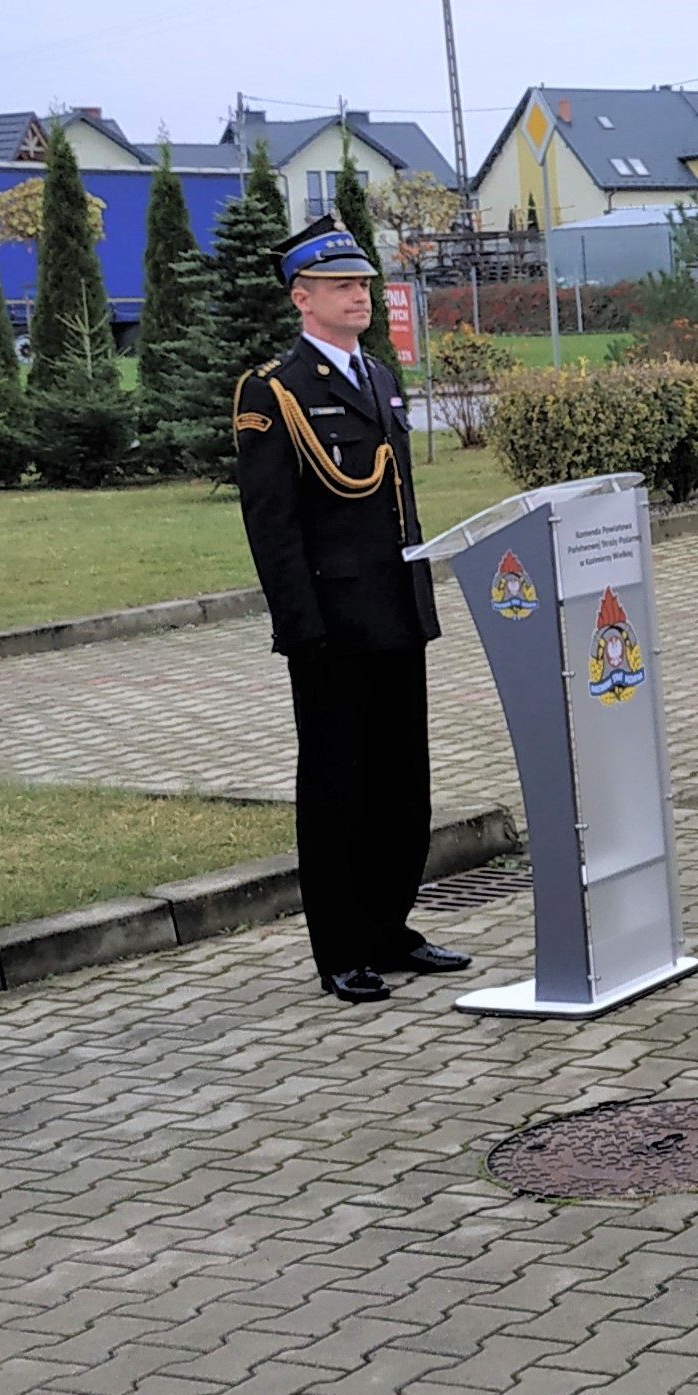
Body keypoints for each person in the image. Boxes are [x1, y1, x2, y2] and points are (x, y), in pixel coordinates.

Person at [234, 219, 462, 1005]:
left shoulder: (376, 374)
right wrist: (300, 627)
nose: (358, 296)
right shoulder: (275, 390)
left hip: (396, 611)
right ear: (301, 297)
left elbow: (398, 504)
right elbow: (272, 525)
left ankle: (389, 927)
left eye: (362, 283)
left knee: (403, 787)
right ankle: (340, 947)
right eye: (340, 285)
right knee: (339, 790)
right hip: (332, 624)